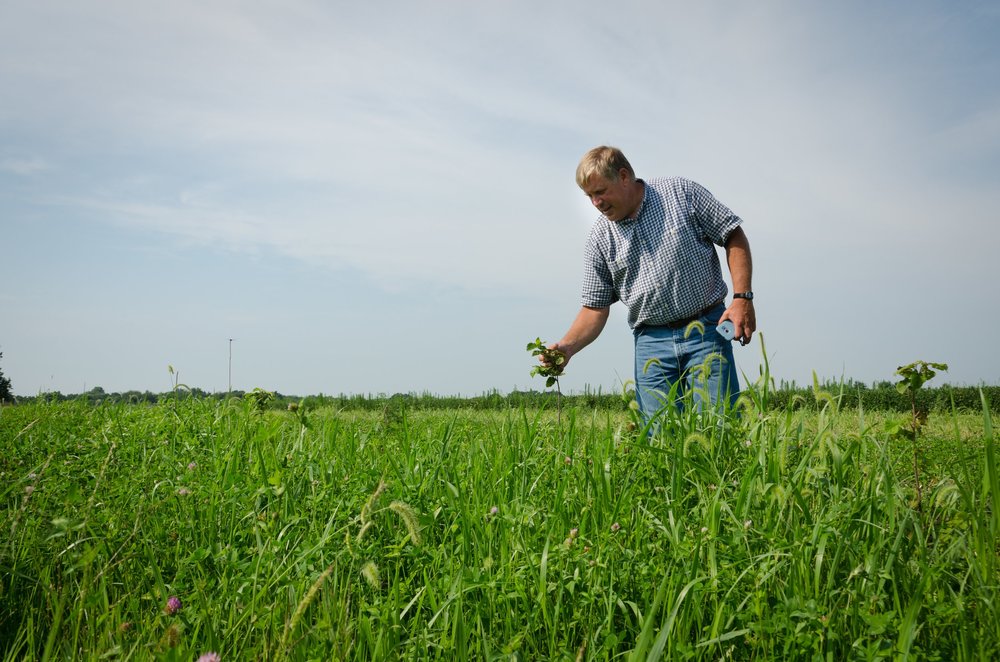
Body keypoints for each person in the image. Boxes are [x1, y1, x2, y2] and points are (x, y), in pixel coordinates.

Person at [547, 145, 756, 422]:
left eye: (600, 192)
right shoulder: (599, 239)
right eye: (589, 196)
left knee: (720, 428)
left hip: (707, 330)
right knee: (659, 441)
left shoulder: (681, 194)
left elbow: (732, 234)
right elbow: (594, 308)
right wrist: (568, 347)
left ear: (624, 176)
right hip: (650, 343)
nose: (596, 203)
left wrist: (742, 298)